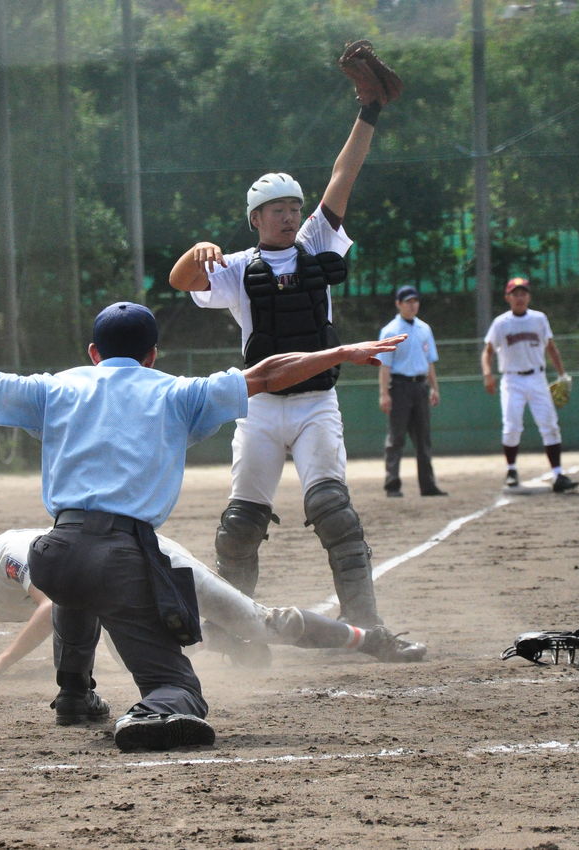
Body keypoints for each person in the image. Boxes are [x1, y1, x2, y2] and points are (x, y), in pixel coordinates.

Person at [0, 302, 404, 752]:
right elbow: (265, 374)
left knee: (70, 578)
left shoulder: (57, 388)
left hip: (57, 548)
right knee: (174, 682)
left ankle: (74, 692)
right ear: (152, 356)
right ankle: (161, 702)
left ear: (93, 354)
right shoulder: (173, 389)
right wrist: (339, 352)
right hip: (121, 555)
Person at [166, 70, 392, 628]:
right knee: (240, 525)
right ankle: (234, 630)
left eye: (294, 206)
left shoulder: (316, 242)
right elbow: (180, 283)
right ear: (256, 220)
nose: (290, 215)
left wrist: (368, 110)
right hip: (262, 408)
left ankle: (368, 624)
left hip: (316, 403)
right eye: (278, 210)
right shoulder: (239, 267)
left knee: (333, 511)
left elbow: (345, 174)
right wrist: (197, 252)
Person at [0, 529, 425, 686]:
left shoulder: (8, 555)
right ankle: (222, 642)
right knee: (131, 653)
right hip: (123, 597)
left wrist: (2, 664)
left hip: (153, 561)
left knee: (260, 621)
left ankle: (370, 639)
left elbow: (51, 608)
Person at [480, 277, 578, 493]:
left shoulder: (539, 319)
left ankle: (558, 474)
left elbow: (551, 348)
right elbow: (487, 352)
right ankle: (511, 471)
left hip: (537, 378)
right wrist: (487, 373)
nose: (519, 297)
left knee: (550, 425)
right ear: (508, 298)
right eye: (515, 293)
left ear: (529, 296)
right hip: (512, 379)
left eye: (523, 293)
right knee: (512, 425)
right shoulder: (501, 323)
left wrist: (562, 375)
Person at [378, 285, 446, 498]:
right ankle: (392, 484)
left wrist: (434, 387)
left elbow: (430, 362)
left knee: (423, 438)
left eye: (415, 301)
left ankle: (428, 485)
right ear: (398, 304)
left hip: (420, 386)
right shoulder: (390, 331)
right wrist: (384, 393)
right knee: (396, 437)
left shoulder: (424, 329)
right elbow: (384, 366)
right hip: (399, 387)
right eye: (407, 301)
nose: (412, 305)